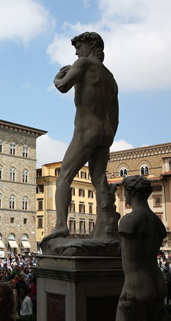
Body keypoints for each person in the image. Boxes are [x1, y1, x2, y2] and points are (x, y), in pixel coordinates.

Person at [41, 31, 119, 244]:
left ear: (91, 46)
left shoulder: (83, 63)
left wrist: (60, 74)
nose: (76, 52)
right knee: (99, 180)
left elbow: (62, 86)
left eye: (79, 47)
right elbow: (115, 116)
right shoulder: (111, 79)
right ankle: (104, 226)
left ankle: (61, 225)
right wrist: (109, 136)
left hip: (87, 127)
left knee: (64, 177)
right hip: (106, 131)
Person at [115, 176, 171, 321]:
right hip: (158, 282)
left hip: (136, 284)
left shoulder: (128, 221)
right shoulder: (157, 222)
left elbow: (126, 257)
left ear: (131, 193)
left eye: (125, 192)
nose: (124, 196)